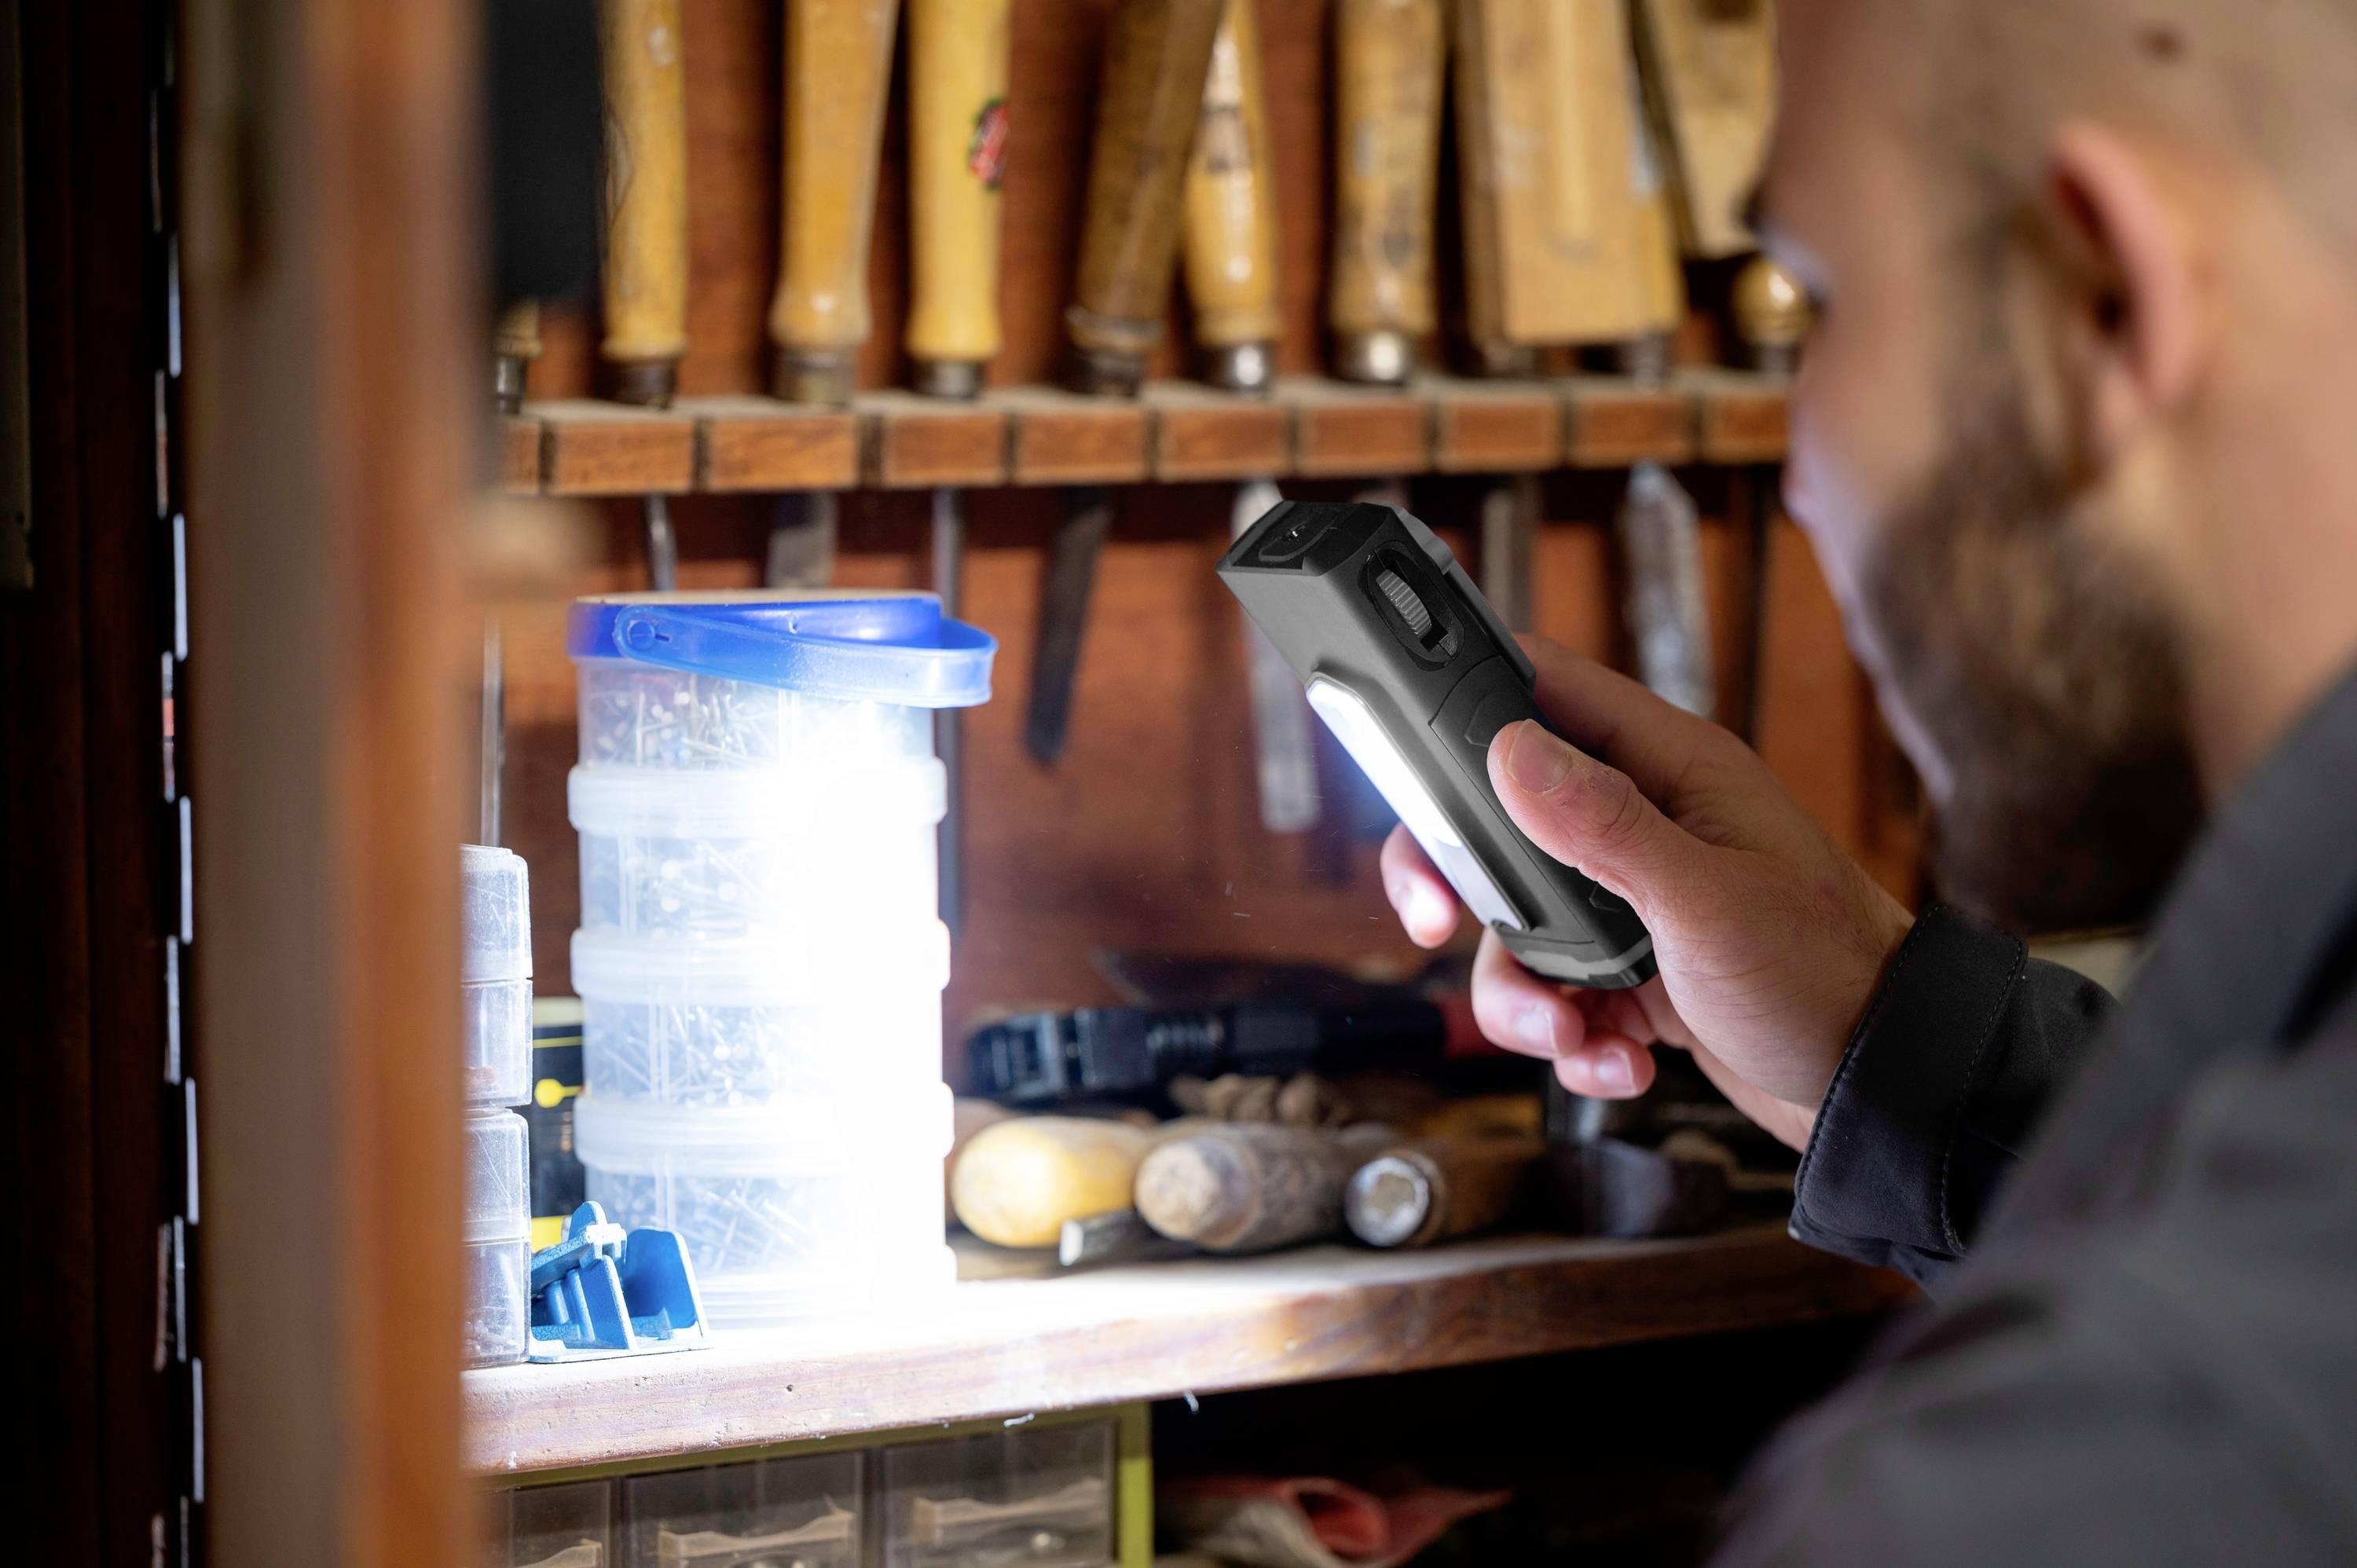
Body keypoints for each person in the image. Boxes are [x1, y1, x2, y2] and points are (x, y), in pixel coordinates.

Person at [1379, 0, 2357, 1558]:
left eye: (1819, 294)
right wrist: (1875, 1036)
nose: (1798, 473)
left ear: (2101, 304)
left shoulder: (2053, 1483)